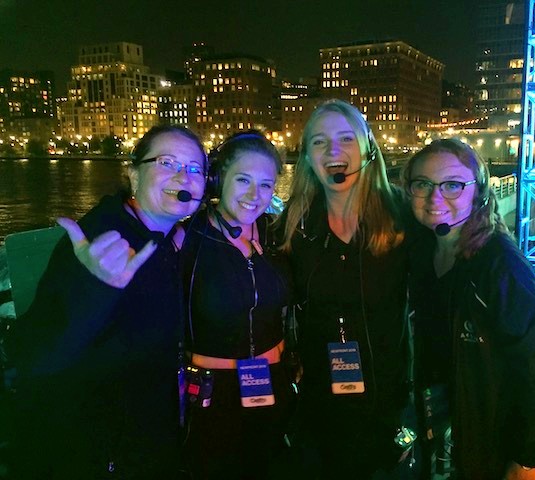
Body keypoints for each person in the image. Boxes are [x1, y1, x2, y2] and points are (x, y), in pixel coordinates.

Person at [5, 125, 207, 479]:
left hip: (144, 433)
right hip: (97, 449)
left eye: (194, 168)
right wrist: (95, 288)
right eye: (167, 162)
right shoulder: (102, 239)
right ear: (133, 174)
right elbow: (34, 354)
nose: (182, 175)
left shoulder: (165, 237)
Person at [404, 138, 535, 480]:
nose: (435, 197)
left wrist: (527, 459)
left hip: (500, 438)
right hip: (454, 424)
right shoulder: (425, 250)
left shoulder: (500, 265)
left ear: (479, 192)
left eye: (452, 185)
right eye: (422, 184)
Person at [276, 99, 413, 478]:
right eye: (319, 142)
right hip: (319, 407)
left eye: (345, 138)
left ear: (368, 146)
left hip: (387, 405)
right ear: (307, 156)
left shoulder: (404, 218)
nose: (333, 151)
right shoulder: (293, 226)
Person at [181, 131, 294, 479]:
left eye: (265, 184)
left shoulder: (276, 234)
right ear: (217, 179)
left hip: (273, 383)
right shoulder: (186, 240)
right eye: (243, 180)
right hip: (213, 396)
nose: (254, 195)